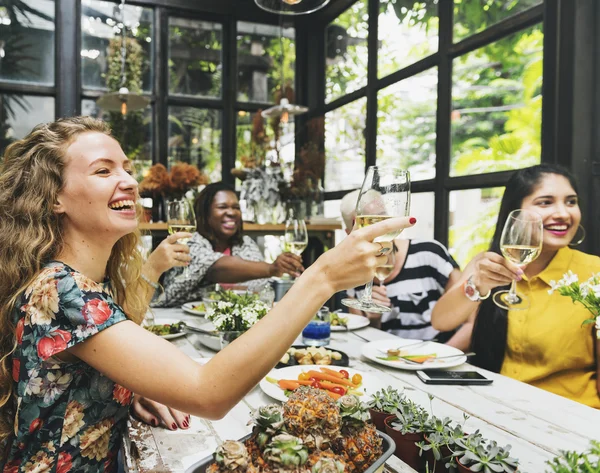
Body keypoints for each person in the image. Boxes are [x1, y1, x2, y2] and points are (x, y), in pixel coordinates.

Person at [0, 116, 416, 471]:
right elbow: (208, 392)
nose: (128, 180)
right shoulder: (60, 290)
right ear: (54, 197)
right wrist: (322, 277)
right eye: (103, 171)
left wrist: (125, 386)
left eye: (126, 168)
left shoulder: (83, 281)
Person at [431, 164, 600, 408]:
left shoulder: (594, 273)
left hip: (571, 417)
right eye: (545, 202)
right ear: (515, 212)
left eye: (571, 202)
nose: (563, 213)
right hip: (500, 410)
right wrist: (477, 285)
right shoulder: (488, 264)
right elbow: (440, 320)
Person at [340, 190, 470, 349]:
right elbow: (363, 340)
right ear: (349, 234)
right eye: (364, 226)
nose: (377, 230)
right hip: (385, 360)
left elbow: (472, 319)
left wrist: (440, 358)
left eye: (381, 220)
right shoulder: (352, 273)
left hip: (439, 358)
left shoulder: (428, 253)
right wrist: (375, 319)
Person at [154, 182, 303, 307]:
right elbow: (215, 267)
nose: (231, 212)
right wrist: (272, 268)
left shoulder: (245, 243)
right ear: (206, 213)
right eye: (222, 207)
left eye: (236, 207)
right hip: (178, 319)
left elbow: (261, 287)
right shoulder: (191, 240)